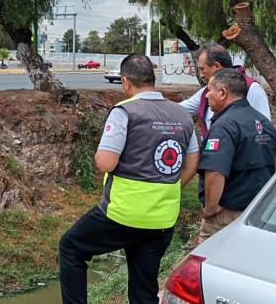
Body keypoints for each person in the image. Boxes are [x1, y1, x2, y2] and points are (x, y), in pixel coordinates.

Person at [59, 54, 199, 304]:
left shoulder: (125, 111)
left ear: (125, 82)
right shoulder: (182, 115)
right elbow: (192, 162)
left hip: (121, 215)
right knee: (143, 289)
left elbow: (106, 163)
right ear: (152, 79)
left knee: (71, 248)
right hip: (162, 219)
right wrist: (173, 186)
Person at [181, 69, 276, 243]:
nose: (206, 96)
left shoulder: (225, 126)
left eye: (209, 90)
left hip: (225, 216)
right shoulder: (264, 124)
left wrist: (210, 208)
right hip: (256, 212)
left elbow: (215, 172)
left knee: (207, 263)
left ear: (222, 93)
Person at [180, 43, 271, 139]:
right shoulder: (205, 93)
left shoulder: (252, 90)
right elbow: (179, 109)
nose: (201, 75)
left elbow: (264, 133)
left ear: (216, 66)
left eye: (202, 69)